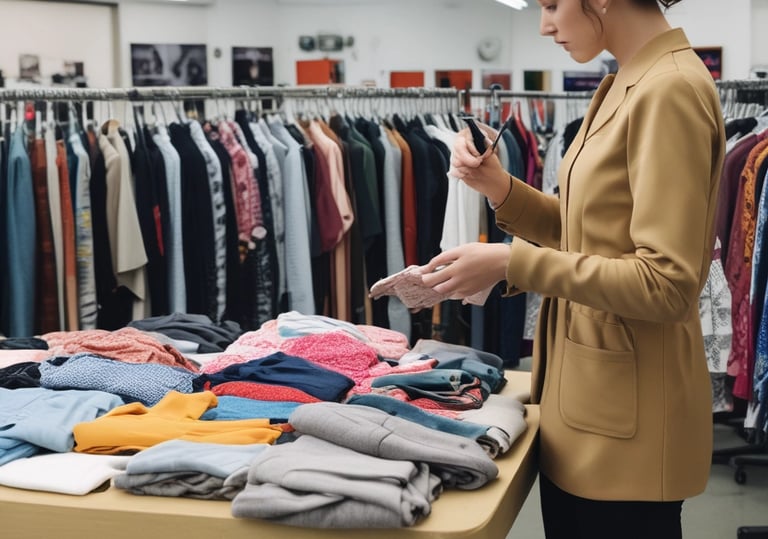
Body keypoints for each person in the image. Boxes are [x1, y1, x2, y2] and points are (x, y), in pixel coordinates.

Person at [421, 1, 726, 538]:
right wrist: (500, 187)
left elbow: (668, 283)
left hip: (626, 434)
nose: (544, 25)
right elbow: (590, 230)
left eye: (552, 4)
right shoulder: (628, 81)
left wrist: (513, 261)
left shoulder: (669, 89)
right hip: (589, 410)